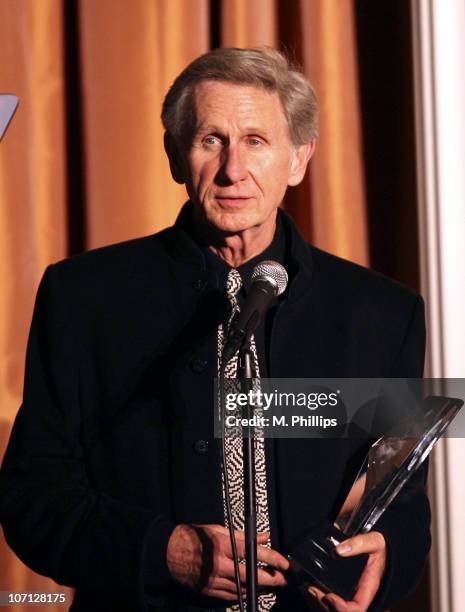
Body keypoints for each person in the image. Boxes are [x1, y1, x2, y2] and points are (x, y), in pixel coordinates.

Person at [0, 48, 430, 612]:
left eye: (256, 141)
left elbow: (399, 502)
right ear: (175, 156)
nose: (232, 171)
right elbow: (33, 500)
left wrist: (385, 559)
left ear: (299, 159)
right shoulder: (85, 298)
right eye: (210, 140)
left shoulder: (382, 313)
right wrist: (164, 550)